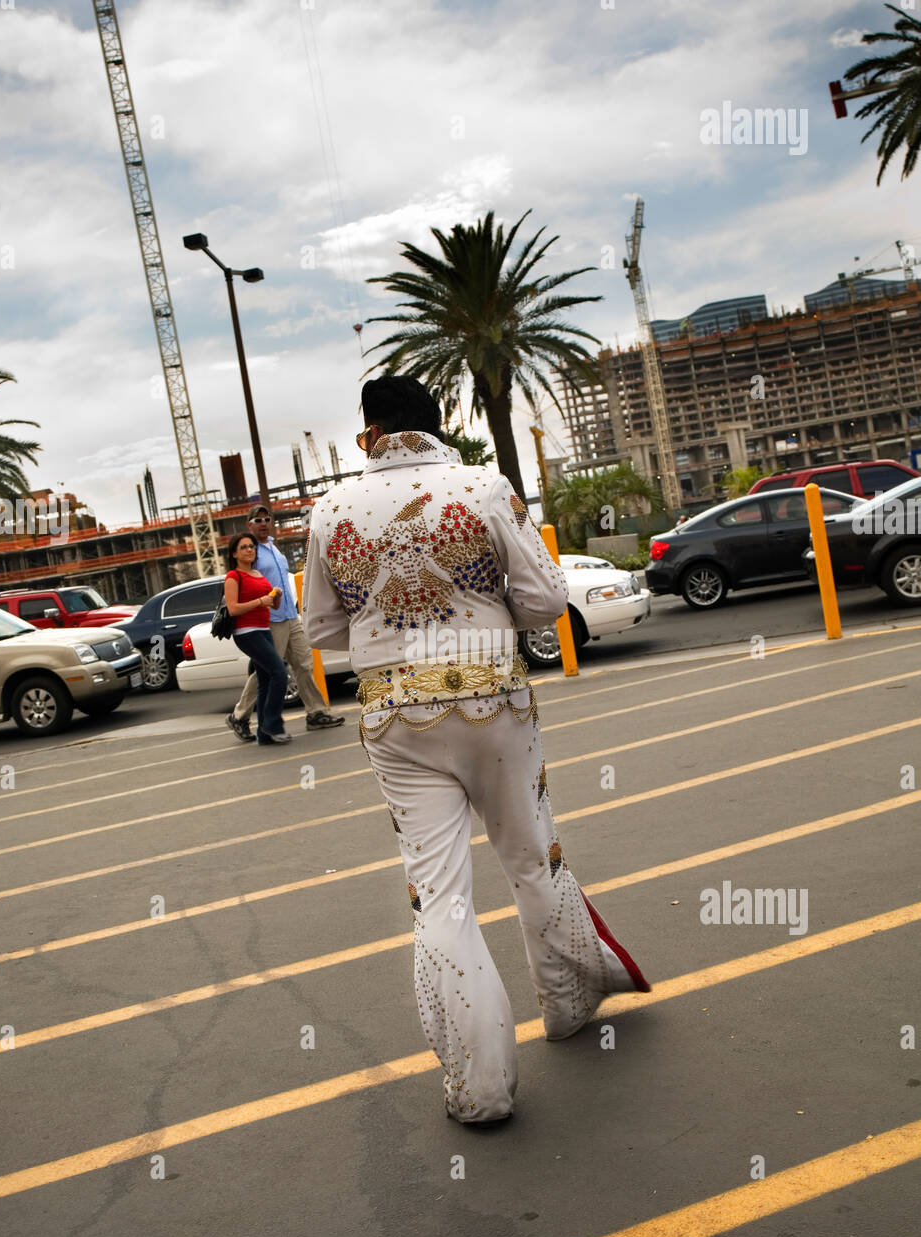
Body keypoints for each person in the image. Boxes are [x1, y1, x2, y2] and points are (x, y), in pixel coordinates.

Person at [301, 376, 650, 1126]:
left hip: (395, 715)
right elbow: (549, 600)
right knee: (529, 857)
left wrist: (390, 618)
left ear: (369, 436)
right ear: (437, 425)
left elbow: (323, 630)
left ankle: (481, 1085)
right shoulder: (485, 487)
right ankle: (564, 1005)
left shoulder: (330, 509)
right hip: (494, 699)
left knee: (440, 895)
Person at [226, 505, 345, 742]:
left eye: (266, 519)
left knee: (304, 663)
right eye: (257, 520)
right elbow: (247, 584)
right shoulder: (252, 551)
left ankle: (316, 712)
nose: (263, 523)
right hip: (270, 619)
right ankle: (239, 715)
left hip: (290, 615)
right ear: (249, 525)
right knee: (268, 671)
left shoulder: (273, 547)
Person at [223, 535, 288, 745]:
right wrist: (260, 600)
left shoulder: (258, 574)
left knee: (266, 681)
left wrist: (275, 596)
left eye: (251, 546)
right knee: (279, 672)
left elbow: (273, 606)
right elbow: (233, 609)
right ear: (235, 553)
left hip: (263, 629)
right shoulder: (234, 576)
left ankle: (263, 734)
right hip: (246, 633)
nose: (249, 550)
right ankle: (272, 725)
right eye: (243, 547)